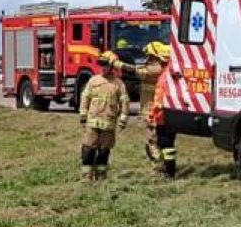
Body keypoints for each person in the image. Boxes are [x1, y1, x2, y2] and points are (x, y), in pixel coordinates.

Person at [116, 41, 179, 177]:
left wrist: (117, 64)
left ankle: (159, 170)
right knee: (160, 144)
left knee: (153, 144)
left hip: (154, 114)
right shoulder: (164, 68)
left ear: (158, 57)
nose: (147, 59)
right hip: (157, 113)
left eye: (150, 56)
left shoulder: (156, 70)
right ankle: (165, 168)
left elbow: (137, 72)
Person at [77, 53, 130, 182]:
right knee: (88, 149)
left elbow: (124, 102)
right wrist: (83, 114)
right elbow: (85, 97)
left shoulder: (118, 84)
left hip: (109, 123)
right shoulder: (93, 80)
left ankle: (101, 177)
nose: (103, 68)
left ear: (112, 67)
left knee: (104, 151)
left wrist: (123, 119)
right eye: (101, 65)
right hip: (92, 123)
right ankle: (86, 177)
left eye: (105, 65)